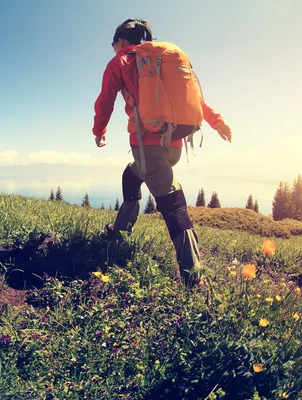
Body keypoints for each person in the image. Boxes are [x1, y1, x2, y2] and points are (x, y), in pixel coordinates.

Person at [93, 18, 232, 287]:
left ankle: (194, 277)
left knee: (172, 204)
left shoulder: (120, 62)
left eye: (114, 44)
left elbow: (105, 100)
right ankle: (120, 231)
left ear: (120, 41)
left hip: (147, 145)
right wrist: (217, 123)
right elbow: (196, 101)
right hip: (175, 143)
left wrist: (99, 130)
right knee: (131, 176)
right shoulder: (162, 62)